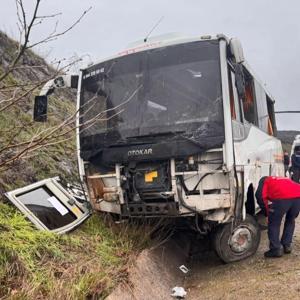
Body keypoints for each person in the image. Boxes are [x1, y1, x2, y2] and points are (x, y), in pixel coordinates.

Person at [255, 176, 300, 258]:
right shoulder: (281, 179)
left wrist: (266, 211)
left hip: (282, 198)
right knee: (290, 220)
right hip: (298, 196)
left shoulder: (264, 181)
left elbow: (260, 196)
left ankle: (275, 249)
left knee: (274, 223)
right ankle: (287, 245)